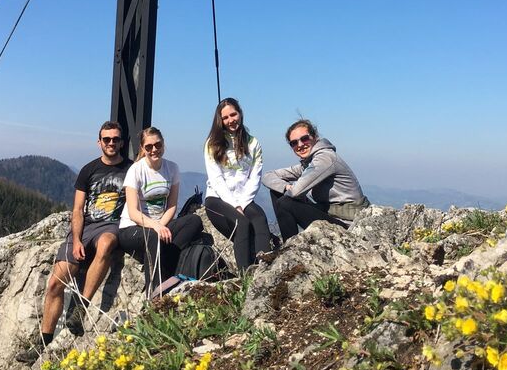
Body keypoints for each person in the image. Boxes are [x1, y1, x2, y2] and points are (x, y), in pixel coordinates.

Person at [23, 121, 132, 361]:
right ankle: (43, 342)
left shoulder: (131, 169)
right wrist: (77, 240)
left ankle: (81, 308)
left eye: (115, 139)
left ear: (122, 142)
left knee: (106, 244)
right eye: (107, 139)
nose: (111, 143)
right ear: (99, 142)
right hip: (86, 227)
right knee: (55, 283)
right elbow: (77, 209)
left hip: (111, 226)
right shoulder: (88, 170)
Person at [118, 127, 203, 294]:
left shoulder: (172, 168)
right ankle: (155, 294)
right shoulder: (136, 170)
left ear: (163, 144)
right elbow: (133, 212)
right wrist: (156, 227)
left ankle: (168, 266)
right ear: (142, 148)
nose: (154, 149)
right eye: (149, 146)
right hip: (132, 228)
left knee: (194, 221)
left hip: (159, 224)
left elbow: (172, 206)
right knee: (153, 237)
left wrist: (161, 225)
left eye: (158, 145)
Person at [262, 118, 370, 241]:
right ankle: (290, 244)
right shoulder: (308, 164)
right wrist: (285, 187)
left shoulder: (325, 158)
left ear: (315, 137)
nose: (300, 145)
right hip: (330, 215)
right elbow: (267, 176)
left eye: (304, 138)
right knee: (277, 192)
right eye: (294, 143)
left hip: (348, 224)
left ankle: (290, 246)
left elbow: (295, 192)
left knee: (285, 202)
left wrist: (290, 189)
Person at [203, 98, 272, 271]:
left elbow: (255, 177)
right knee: (241, 223)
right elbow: (216, 179)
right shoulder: (212, 144)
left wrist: (243, 202)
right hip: (217, 198)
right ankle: (245, 274)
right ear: (220, 120)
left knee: (259, 218)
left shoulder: (253, 143)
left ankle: (264, 269)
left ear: (240, 113)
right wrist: (235, 206)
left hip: (243, 198)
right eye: (225, 118)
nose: (230, 120)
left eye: (233, 115)